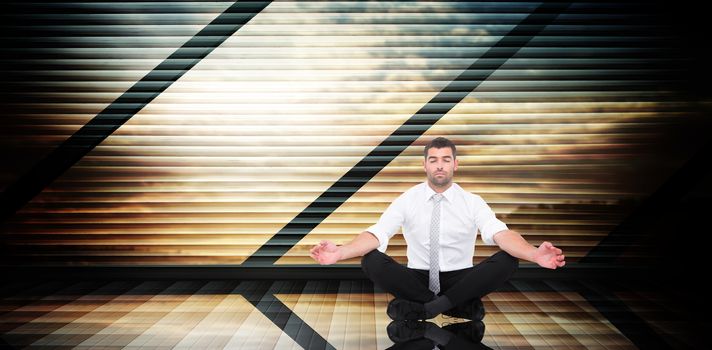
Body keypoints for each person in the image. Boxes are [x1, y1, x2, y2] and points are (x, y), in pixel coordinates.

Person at [310, 137, 565, 328]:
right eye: (433, 160)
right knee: (371, 258)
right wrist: (341, 252)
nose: (439, 166)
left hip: (460, 278)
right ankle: (455, 306)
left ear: (455, 163)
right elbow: (378, 233)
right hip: (417, 279)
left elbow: (500, 233)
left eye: (445, 159)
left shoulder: (472, 201)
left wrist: (534, 254)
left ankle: (426, 307)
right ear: (425, 165)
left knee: (508, 259)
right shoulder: (408, 198)